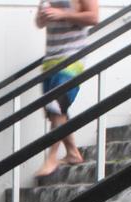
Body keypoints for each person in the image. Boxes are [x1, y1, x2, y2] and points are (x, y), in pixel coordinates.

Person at [34, 0, 100, 177]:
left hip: (71, 59)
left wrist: (63, 14)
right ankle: (73, 153)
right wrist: (42, 17)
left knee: (56, 108)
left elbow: (94, 17)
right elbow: (39, 23)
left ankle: (52, 158)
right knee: (55, 114)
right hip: (50, 62)